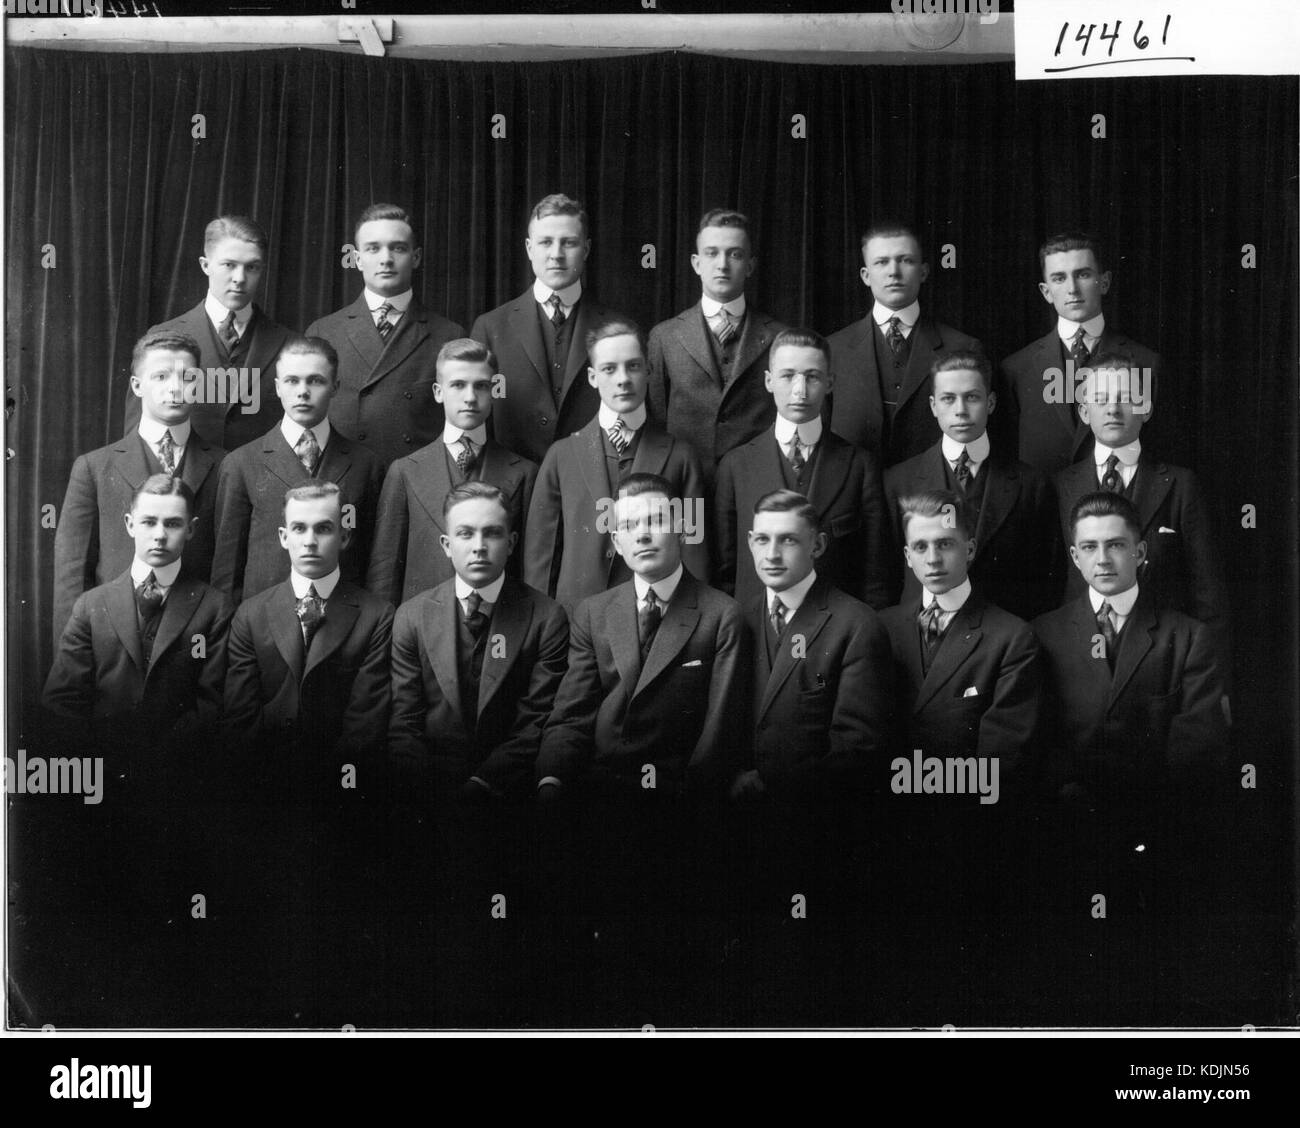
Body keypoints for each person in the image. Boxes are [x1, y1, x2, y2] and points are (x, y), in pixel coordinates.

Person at [535, 473, 747, 799]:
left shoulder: (721, 614)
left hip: (679, 793)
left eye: (656, 521)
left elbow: (718, 732)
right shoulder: (593, 612)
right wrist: (552, 780)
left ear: (682, 531)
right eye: (630, 526)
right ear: (618, 544)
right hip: (600, 787)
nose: (643, 535)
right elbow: (572, 716)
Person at [389, 482, 569, 802]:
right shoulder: (412, 617)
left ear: (512, 542)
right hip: (428, 790)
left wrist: (481, 784)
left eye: (493, 533)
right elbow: (405, 722)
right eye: (465, 534)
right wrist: (421, 791)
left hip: (507, 787)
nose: (479, 546)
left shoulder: (546, 617)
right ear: (446, 544)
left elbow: (534, 723)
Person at [1053, 354, 1228, 673]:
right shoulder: (1058, 486)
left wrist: (1215, 680)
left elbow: (1208, 593)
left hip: (1162, 660)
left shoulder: (1181, 484)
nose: (1113, 409)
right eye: (1101, 399)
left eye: (1125, 398)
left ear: (1145, 407)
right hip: (1077, 661)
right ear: (1083, 410)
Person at [44, 474, 231, 767]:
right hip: (101, 770)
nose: (159, 534)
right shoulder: (91, 605)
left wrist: (158, 762)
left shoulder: (215, 608)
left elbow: (214, 703)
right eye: (148, 522)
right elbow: (63, 700)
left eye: (172, 523)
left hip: (180, 772)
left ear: (191, 529)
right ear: (130, 525)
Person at [54, 330, 225, 644]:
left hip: (195, 642)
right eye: (160, 376)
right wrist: (74, 655)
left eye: (187, 377)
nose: (175, 388)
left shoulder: (226, 465)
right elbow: (72, 575)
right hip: (113, 642)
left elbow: (228, 568)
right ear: (137, 385)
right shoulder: (94, 467)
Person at [525, 316, 708, 611]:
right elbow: (541, 557)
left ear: (648, 371)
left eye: (633, 366)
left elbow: (694, 545)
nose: (623, 379)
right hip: (577, 619)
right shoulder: (562, 456)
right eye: (609, 369)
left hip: (661, 614)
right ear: (592, 377)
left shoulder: (681, 457)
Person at [731, 489, 893, 804]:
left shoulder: (857, 625)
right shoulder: (736, 618)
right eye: (763, 540)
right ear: (750, 542)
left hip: (814, 817)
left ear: (817, 545)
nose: (772, 555)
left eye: (788, 540)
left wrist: (773, 786)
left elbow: (857, 746)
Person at [223, 481, 394, 773]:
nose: (310, 541)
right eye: (299, 528)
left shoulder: (376, 616)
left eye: (323, 529)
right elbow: (241, 718)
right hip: (264, 781)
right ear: (283, 536)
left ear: (344, 537)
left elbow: (365, 723)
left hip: (339, 783)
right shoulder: (250, 614)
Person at [714, 328, 892, 609]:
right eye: (787, 376)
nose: (800, 390)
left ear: (830, 383)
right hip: (756, 631)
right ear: (769, 381)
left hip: (836, 634)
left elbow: (876, 574)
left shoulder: (860, 466)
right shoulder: (736, 466)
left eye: (812, 377)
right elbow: (724, 573)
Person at [884, 350, 1060, 620]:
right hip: (923, 633)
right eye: (948, 399)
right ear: (933, 406)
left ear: (990, 402)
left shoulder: (1031, 485)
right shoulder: (899, 482)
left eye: (972, 397)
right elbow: (884, 579)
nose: (961, 411)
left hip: (1004, 640)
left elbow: (1046, 582)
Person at [211, 336, 383, 603]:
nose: (303, 391)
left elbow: (374, 560)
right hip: (263, 624)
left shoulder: (366, 465)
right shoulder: (241, 464)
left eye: (315, 381)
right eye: (292, 381)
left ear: (335, 387)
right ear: (278, 387)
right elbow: (227, 571)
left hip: (344, 621)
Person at [367, 338, 537, 606]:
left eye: (481, 386)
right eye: (458, 385)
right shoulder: (404, 472)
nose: (470, 397)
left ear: (494, 391)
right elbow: (385, 573)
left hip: (503, 622)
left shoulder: (524, 473)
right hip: (422, 630)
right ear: (438, 391)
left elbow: (531, 569)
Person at [305, 203, 465, 466]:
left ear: (416, 257)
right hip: (343, 477)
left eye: (398, 248)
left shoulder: (448, 335)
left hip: (415, 479)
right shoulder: (323, 332)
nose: (386, 259)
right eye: (373, 248)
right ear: (357, 259)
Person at [125, 215, 291, 450]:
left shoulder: (289, 344)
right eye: (229, 265)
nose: (240, 278)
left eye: (251, 267)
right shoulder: (162, 336)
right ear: (205, 265)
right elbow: (138, 436)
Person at [1000, 231, 1161, 475]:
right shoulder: (1016, 369)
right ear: (1045, 291)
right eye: (1059, 278)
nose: (1072, 289)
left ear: (1104, 282)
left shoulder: (1145, 362)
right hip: (1043, 508)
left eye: (1083, 274)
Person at [469, 193, 614, 462]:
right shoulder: (490, 327)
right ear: (528, 248)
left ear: (586, 249)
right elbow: (478, 421)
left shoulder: (616, 327)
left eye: (568, 243)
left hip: (591, 482)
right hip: (513, 487)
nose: (556, 255)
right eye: (545, 242)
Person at [646, 208, 787, 481]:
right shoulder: (664, 337)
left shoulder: (778, 338)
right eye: (711, 253)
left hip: (754, 482)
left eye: (734, 254)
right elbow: (657, 422)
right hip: (685, 483)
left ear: (750, 265)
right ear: (696, 263)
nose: (722, 264)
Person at [826, 222, 980, 465]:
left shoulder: (962, 347)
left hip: (932, 493)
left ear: (924, 271)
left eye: (905, 260)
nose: (893, 272)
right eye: (881, 262)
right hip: (856, 496)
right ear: (865, 276)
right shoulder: (833, 350)